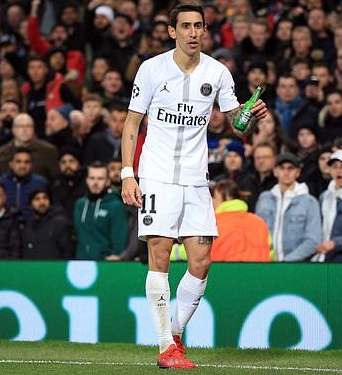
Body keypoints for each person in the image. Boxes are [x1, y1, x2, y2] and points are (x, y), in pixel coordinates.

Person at [120, 4, 267, 369]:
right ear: (172, 31)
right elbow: (131, 123)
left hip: (196, 180)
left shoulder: (217, 73)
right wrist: (127, 173)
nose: (192, 32)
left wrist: (248, 114)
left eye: (198, 26)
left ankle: (175, 334)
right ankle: (165, 347)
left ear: (204, 30)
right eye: (185, 26)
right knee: (160, 257)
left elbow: (237, 124)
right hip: (156, 177)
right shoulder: (152, 69)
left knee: (201, 262)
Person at [256, 152, 321, 262]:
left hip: (297, 266)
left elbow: (313, 240)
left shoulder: (309, 202)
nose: (286, 172)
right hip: (266, 264)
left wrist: (287, 261)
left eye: (290, 168)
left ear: (298, 172)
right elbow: (256, 233)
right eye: (282, 168)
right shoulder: (264, 198)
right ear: (275, 171)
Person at [73, 162, 127, 260]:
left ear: (107, 182)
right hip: (80, 262)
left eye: (100, 179)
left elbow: (119, 238)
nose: (95, 183)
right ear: (87, 180)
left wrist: (117, 255)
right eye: (92, 178)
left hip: (105, 264)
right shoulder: (79, 204)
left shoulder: (116, 206)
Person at [0, 147, 49, 220]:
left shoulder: (41, 183)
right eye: (18, 162)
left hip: (34, 227)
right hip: (4, 226)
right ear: (11, 164)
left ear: (31, 165)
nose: (22, 166)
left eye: (26, 162)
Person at [22, 187, 73, 259]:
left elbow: (67, 252)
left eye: (45, 198)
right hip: (31, 268)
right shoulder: (26, 226)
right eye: (37, 199)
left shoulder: (60, 224)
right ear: (30, 204)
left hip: (54, 268)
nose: (42, 202)